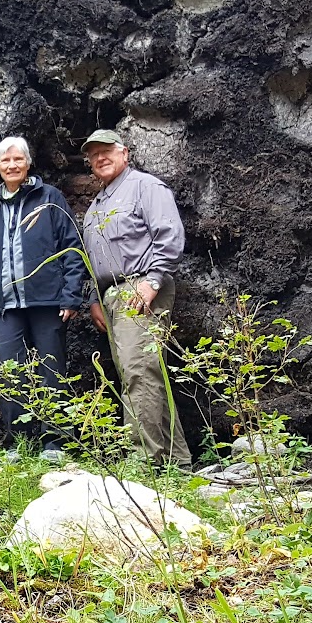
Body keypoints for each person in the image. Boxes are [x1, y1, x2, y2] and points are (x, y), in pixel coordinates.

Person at [78, 129, 190, 466]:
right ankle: (176, 462)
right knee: (139, 373)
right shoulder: (97, 206)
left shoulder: (145, 186)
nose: (100, 157)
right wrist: (95, 299)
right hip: (112, 297)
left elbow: (169, 234)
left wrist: (153, 281)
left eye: (107, 150)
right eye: (94, 154)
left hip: (140, 288)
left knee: (139, 373)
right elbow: (93, 259)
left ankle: (146, 462)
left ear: (125, 153)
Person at [0, 136, 85, 463]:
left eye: (18, 159)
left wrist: (71, 295)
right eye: (5, 161)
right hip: (3, 307)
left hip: (47, 301)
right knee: (10, 374)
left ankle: (56, 443)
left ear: (29, 162)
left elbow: (72, 248)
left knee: (52, 370)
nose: (12, 165)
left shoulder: (49, 198)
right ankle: (18, 444)